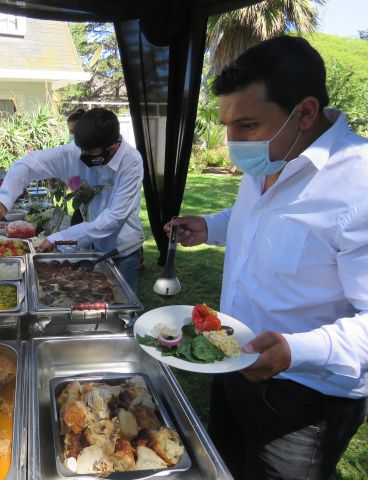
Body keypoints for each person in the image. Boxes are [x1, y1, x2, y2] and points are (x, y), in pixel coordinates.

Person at [165, 36, 368, 480]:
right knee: (222, 468)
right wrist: (213, 226)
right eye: (227, 126)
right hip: (233, 356)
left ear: (306, 112)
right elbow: (259, 220)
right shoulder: (273, 156)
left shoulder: (359, 185)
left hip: (305, 395)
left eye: (248, 126)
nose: (233, 143)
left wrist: (296, 350)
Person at [0, 108, 144, 291]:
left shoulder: (131, 162)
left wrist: (60, 239)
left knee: (123, 310)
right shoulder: (75, 151)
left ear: (111, 149)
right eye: (81, 151)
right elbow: (29, 163)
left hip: (123, 251)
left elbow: (114, 218)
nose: (82, 158)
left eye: (90, 155)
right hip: (93, 247)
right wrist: (5, 197)